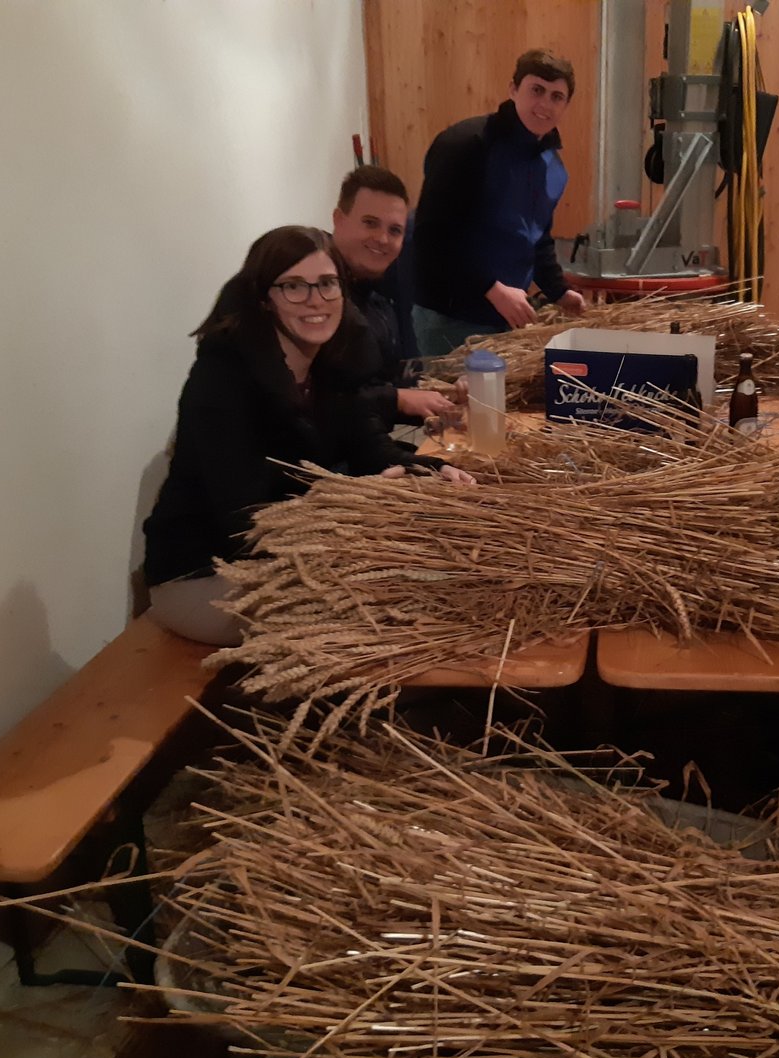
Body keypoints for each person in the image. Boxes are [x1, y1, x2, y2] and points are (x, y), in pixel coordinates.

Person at [143, 225, 474, 646]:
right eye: (294, 286)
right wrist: (352, 503)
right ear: (264, 297)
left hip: (296, 551)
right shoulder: (222, 379)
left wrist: (433, 470)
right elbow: (244, 521)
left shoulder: (333, 363)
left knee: (436, 569)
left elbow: (373, 451)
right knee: (395, 606)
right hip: (208, 574)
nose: (315, 300)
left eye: (327, 284)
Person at [411, 48, 586, 356]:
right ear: (513, 89)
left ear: (566, 105)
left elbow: (537, 240)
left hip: (506, 318)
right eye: (537, 90)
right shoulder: (466, 145)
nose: (545, 104)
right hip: (451, 318)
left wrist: (559, 291)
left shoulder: (552, 167)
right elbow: (433, 236)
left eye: (557, 96)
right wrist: (490, 288)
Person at [330, 165, 457, 425]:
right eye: (370, 223)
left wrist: (446, 391)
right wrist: (396, 399)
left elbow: (389, 385)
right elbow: (315, 402)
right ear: (338, 220)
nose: (383, 239)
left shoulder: (378, 301)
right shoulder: (315, 295)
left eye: (395, 230)